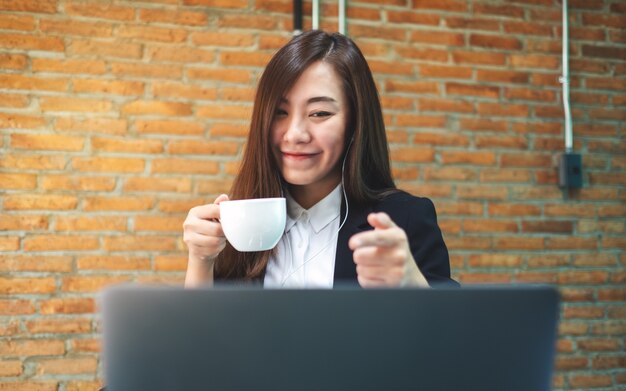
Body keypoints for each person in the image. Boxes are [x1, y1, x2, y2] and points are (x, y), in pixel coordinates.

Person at [183, 30, 454, 289]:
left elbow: (453, 333)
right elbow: (201, 334)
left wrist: (411, 283)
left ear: (355, 123)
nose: (295, 134)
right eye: (280, 112)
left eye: (320, 113)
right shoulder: (239, 225)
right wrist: (200, 260)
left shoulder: (405, 219)